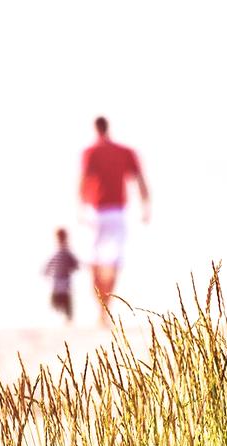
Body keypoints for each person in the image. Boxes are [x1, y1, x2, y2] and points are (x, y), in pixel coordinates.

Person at [79, 116, 150, 326]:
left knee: (95, 261)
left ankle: (101, 308)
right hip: (117, 213)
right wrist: (146, 206)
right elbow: (140, 180)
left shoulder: (90, 152)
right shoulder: (125, 152)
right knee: (112, 261)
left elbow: (82, 181)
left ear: (95, 129)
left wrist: (80, 207)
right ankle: (105, 307)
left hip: (96, 211)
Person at [43, 227, 80, 322]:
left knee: (63, 299)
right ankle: (64, 315)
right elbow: (75, 264)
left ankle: (68, 317)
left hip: (63, 279)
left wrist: (46, 271)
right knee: (59, 299)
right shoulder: (62, 251)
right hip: (59, 279)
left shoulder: (65, 251)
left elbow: (75, 264)